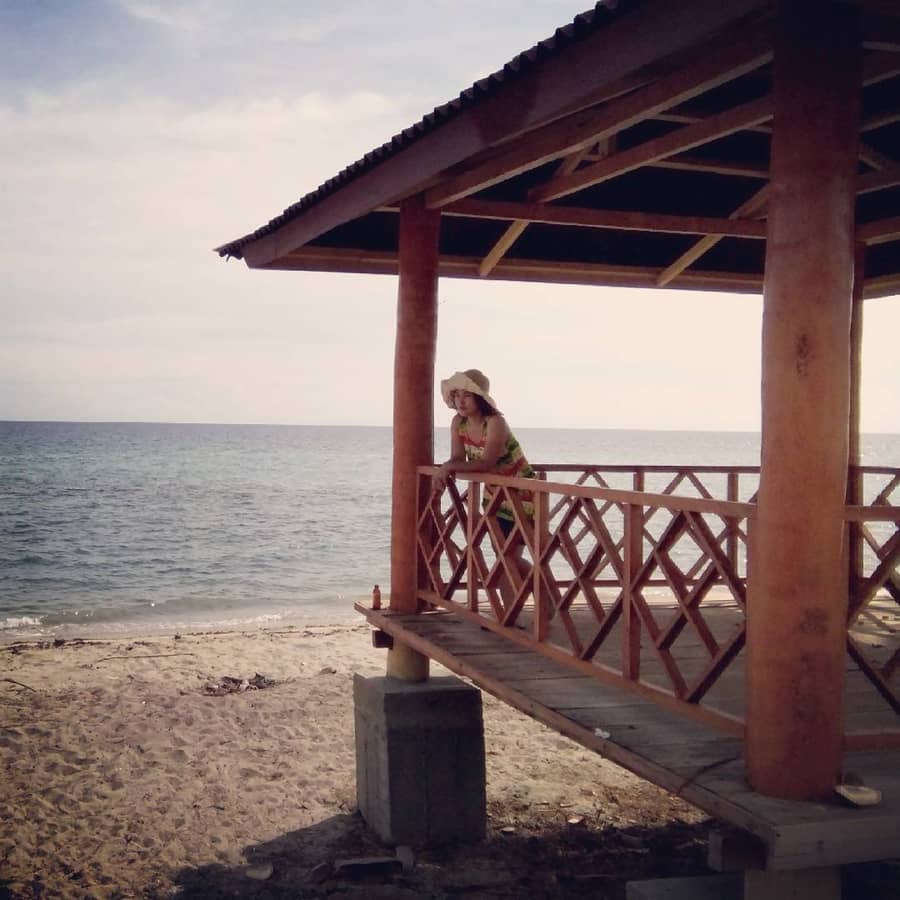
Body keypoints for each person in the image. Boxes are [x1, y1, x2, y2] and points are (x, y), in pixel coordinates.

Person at [435, 369, 536, 607]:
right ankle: (530, 602)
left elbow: (488, 461)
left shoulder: (495, 422)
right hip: (494, 495)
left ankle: (514, 614)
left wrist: (447, 467)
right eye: (457, 394)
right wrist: (448, 466)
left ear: (479, 398)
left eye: (467, 395)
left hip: (521, 495)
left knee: (506, 559)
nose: (460, 400)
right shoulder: (458, 423)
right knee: (505, 558)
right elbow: (458, 457)